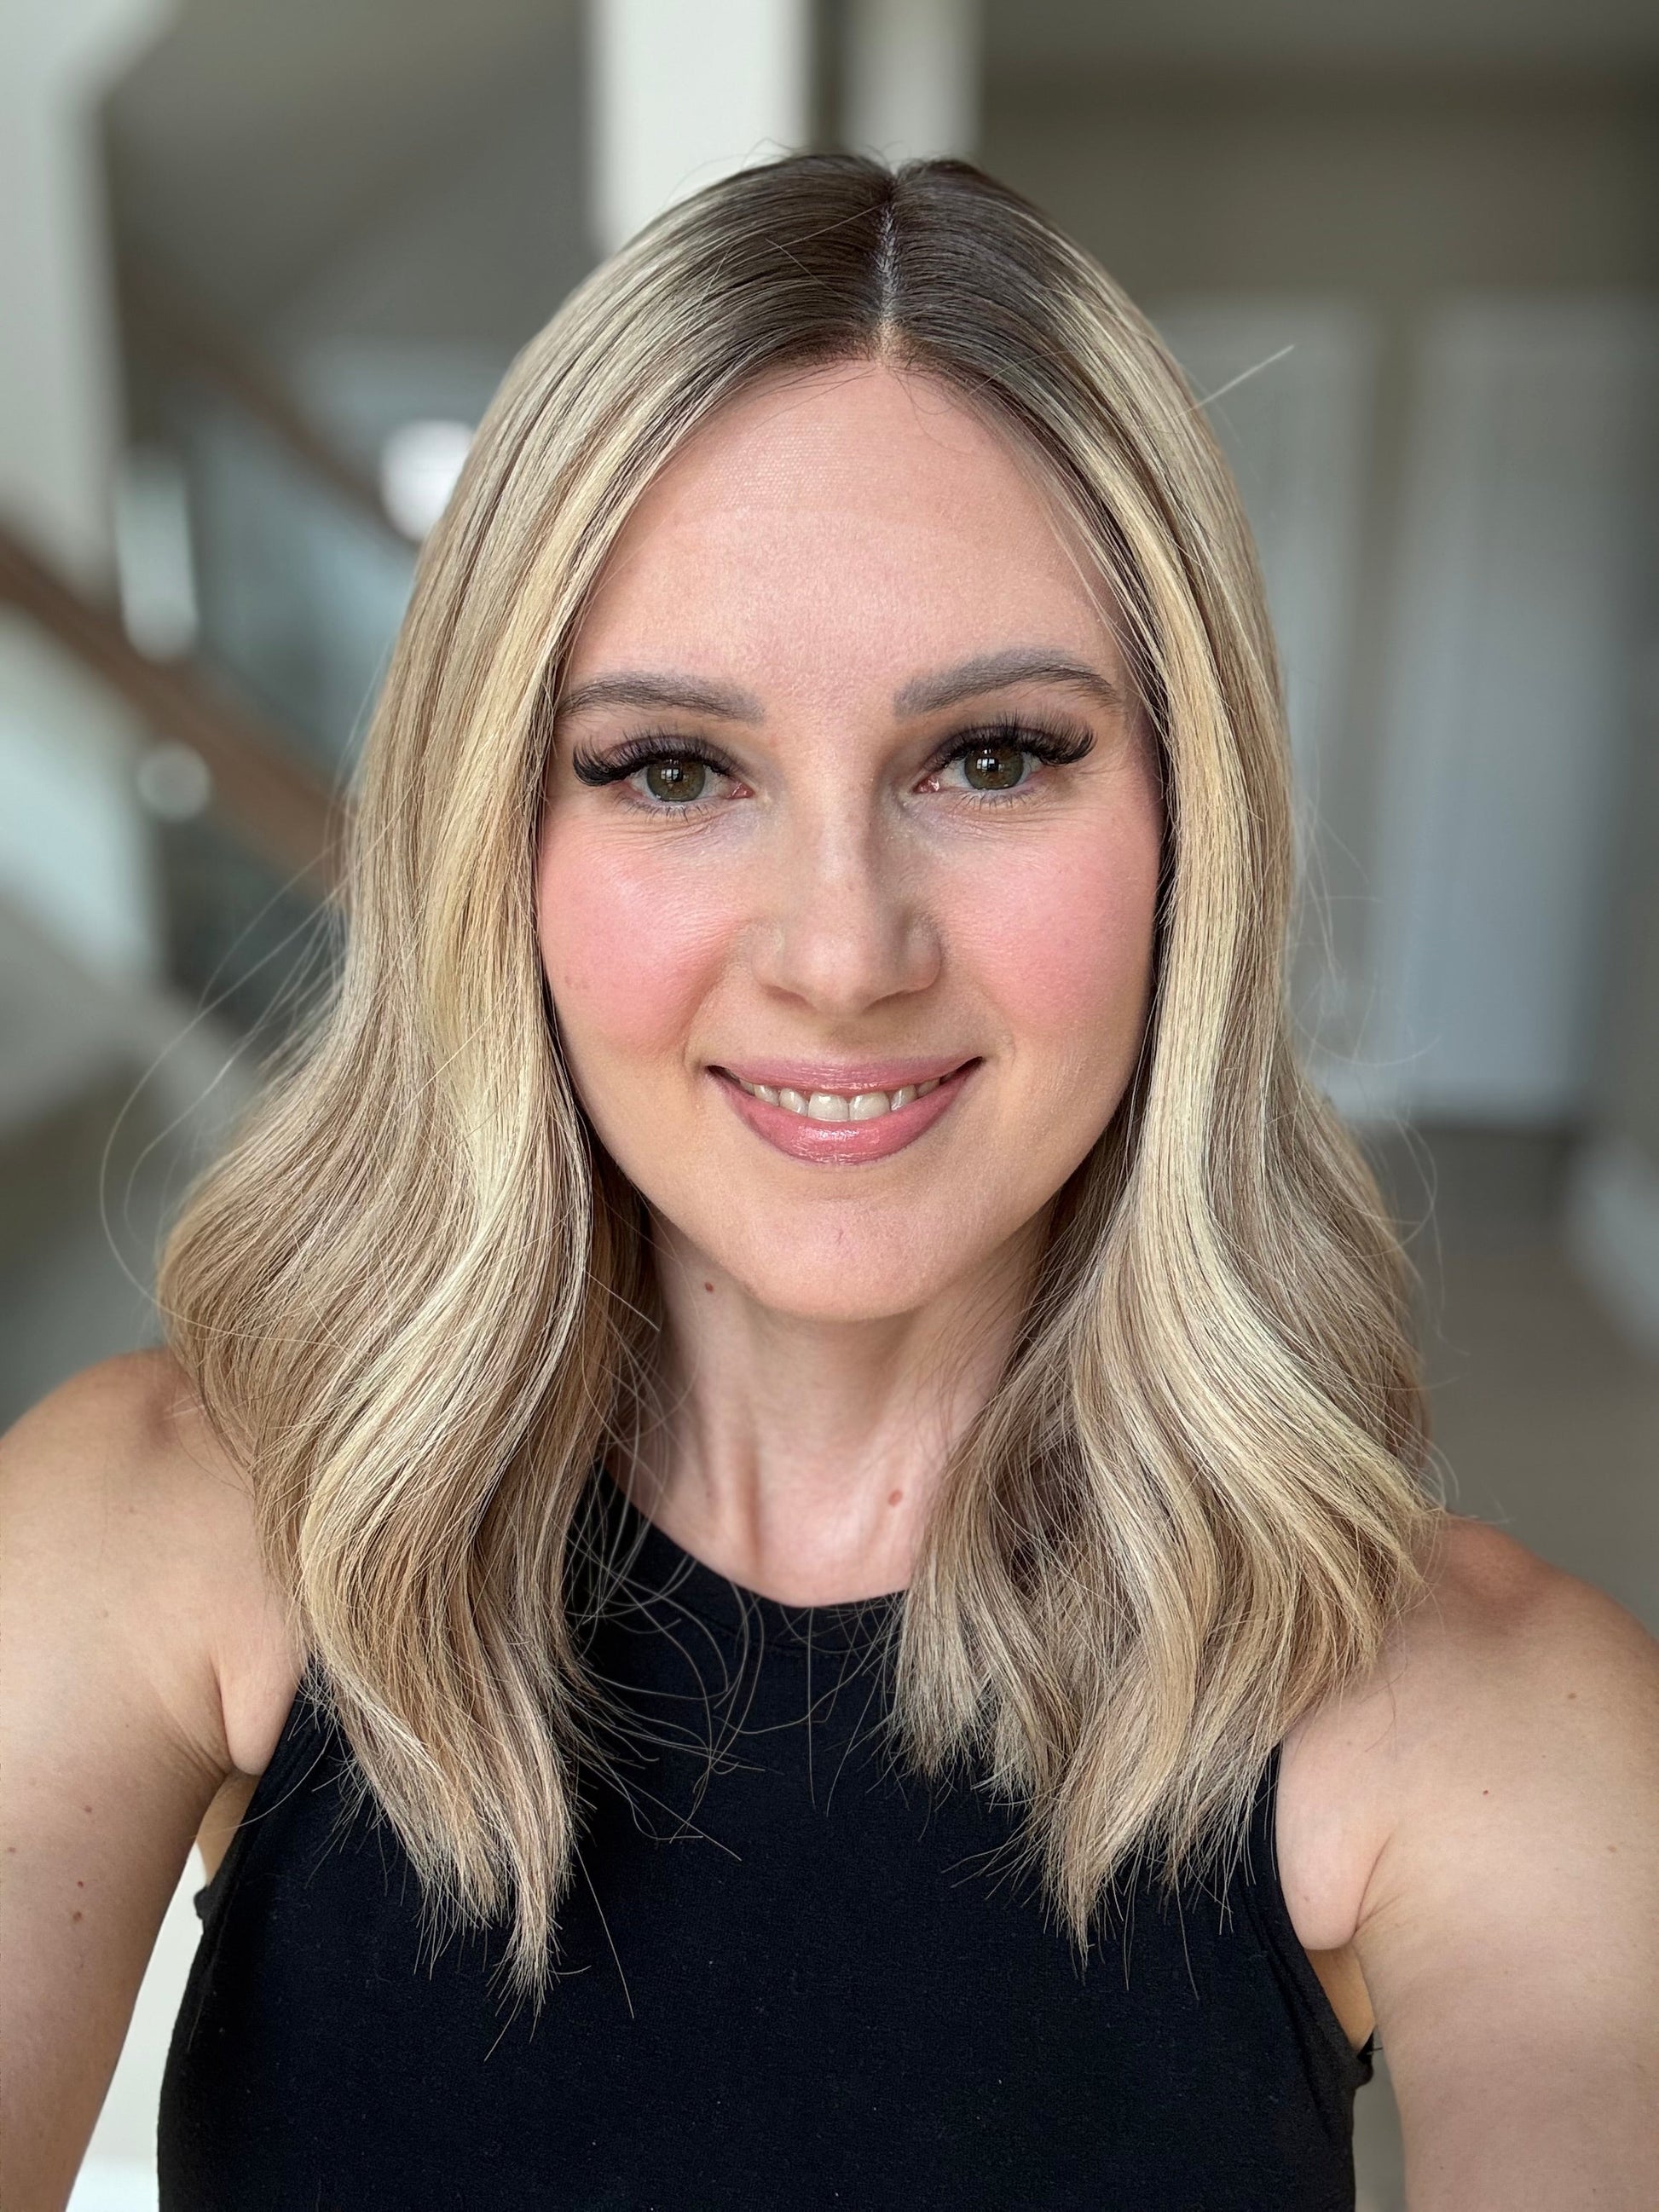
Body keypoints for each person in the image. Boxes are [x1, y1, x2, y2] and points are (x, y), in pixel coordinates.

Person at [3, 153, 1655, 2212]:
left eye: (994, 753)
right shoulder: (147, 1527)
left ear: (1187, 829)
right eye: (672, 767)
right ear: (496, 850)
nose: (843, 950)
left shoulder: (1508, 1722)